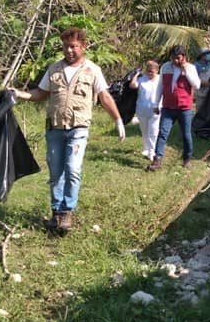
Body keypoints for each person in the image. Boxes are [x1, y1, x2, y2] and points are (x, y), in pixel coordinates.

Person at [9, 27, 126, 233]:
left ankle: (67, 212)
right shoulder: (54, 69)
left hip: (78, 128)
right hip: (54, 129)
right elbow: (41, 93)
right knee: (55, 173)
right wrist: (19, 94)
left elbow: (104, 96)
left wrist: (118, 120)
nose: (69, 51)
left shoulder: (92, 70)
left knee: (73, 169)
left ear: (83, 46)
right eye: (65, 47)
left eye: (73, 46)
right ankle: (56, 212)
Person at [147, 45, 200, 171]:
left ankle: (187, 158)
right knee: (163, 133)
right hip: (168, 107)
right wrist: (156, 104)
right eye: (173, 58)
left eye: (178, 58)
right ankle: (157, 160)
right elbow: (160, 86)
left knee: (186, 135)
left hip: (184, 108)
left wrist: (185, 70)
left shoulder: (191, 68)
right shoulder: (165, 67)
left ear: (184, 57)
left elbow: (196, 85)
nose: (175, 61)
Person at [129, 60, 161, 160]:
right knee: (144, 130)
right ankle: (146, 148)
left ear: (157, 70)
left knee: (153, 132)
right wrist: (137, 74)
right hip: (142, 110)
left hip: (155, 110)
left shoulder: (161, 80)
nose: (150, 73)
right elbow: (132, 85)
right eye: (148, 71)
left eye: (152, 71)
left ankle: (152, 152)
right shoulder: (142, 79)